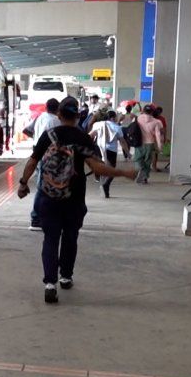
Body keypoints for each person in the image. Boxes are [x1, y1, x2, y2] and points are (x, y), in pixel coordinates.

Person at [18, 97, 137, 304]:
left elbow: (32, 161)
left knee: (51, 239)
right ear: (78, 116)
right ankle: (65, 276)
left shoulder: (49, 135)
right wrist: (123, 173)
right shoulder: (82, 138)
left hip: (49, 196)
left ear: (59, 114)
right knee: (70, 237)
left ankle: (50, 284)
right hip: (74, 198)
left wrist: (23, 183)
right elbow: (98, 168)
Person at [22, 98, 61, 230]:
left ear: (46, 107)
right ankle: (36, 219)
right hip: (48, 154)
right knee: (42, 186)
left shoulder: (40, 117)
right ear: (57, 109)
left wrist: (36, 138)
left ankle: (40, 217)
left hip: (37, 150)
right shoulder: (55, 121)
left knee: (41, 184)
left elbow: (26, 130)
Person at [89, 110, 128, 198]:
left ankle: (102, 184)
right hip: (111, 151)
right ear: (113, 117)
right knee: (112, 170)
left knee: (102, 167)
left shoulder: (97, 124)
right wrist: (127, 153)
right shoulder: (117, 128)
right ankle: (105, 185)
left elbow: (91, 135)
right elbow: (122, 141)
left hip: (98, 148)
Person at [134, 105, 163, 184]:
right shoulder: (157, 121)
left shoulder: (139, 118)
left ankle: (142, 170)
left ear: (143, 111)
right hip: (150, 143)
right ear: (152, 112)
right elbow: (158, 134)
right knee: (147, 161)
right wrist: (160, 146)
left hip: (139, 142)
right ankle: (144, 177)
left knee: (137, 159)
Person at [151, 106, 168, 172]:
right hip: (157, 138)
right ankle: (154, 167)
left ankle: (152, 166)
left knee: (152, 153)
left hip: (150, 137)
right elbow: (164, 130)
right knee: (155, 153)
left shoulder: (151, 118)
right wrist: (165, 138)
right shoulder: (161, 119)